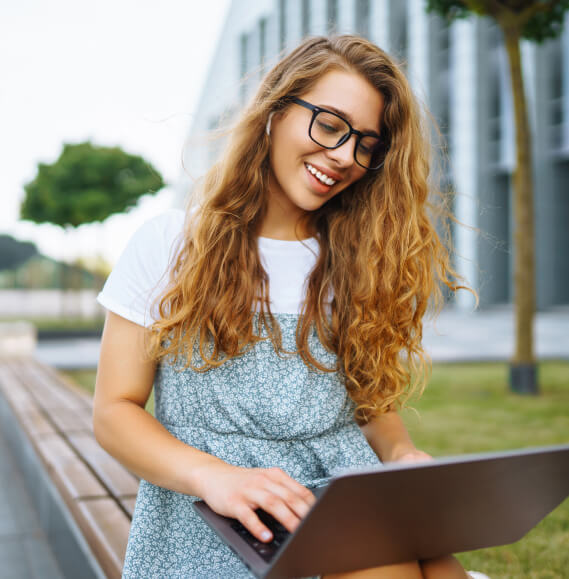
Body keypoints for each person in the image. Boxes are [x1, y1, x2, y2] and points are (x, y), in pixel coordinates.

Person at [94, 35, 482, 578]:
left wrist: (399, 457)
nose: (345, 156)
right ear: (275, 112)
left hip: (341, 493)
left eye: (366, 144)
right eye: (329, 125)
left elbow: (367, 404)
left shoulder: (357, 258)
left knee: (436, 569)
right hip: (213, 510)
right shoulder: (170, 244)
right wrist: (216, 478)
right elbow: (115, 413)